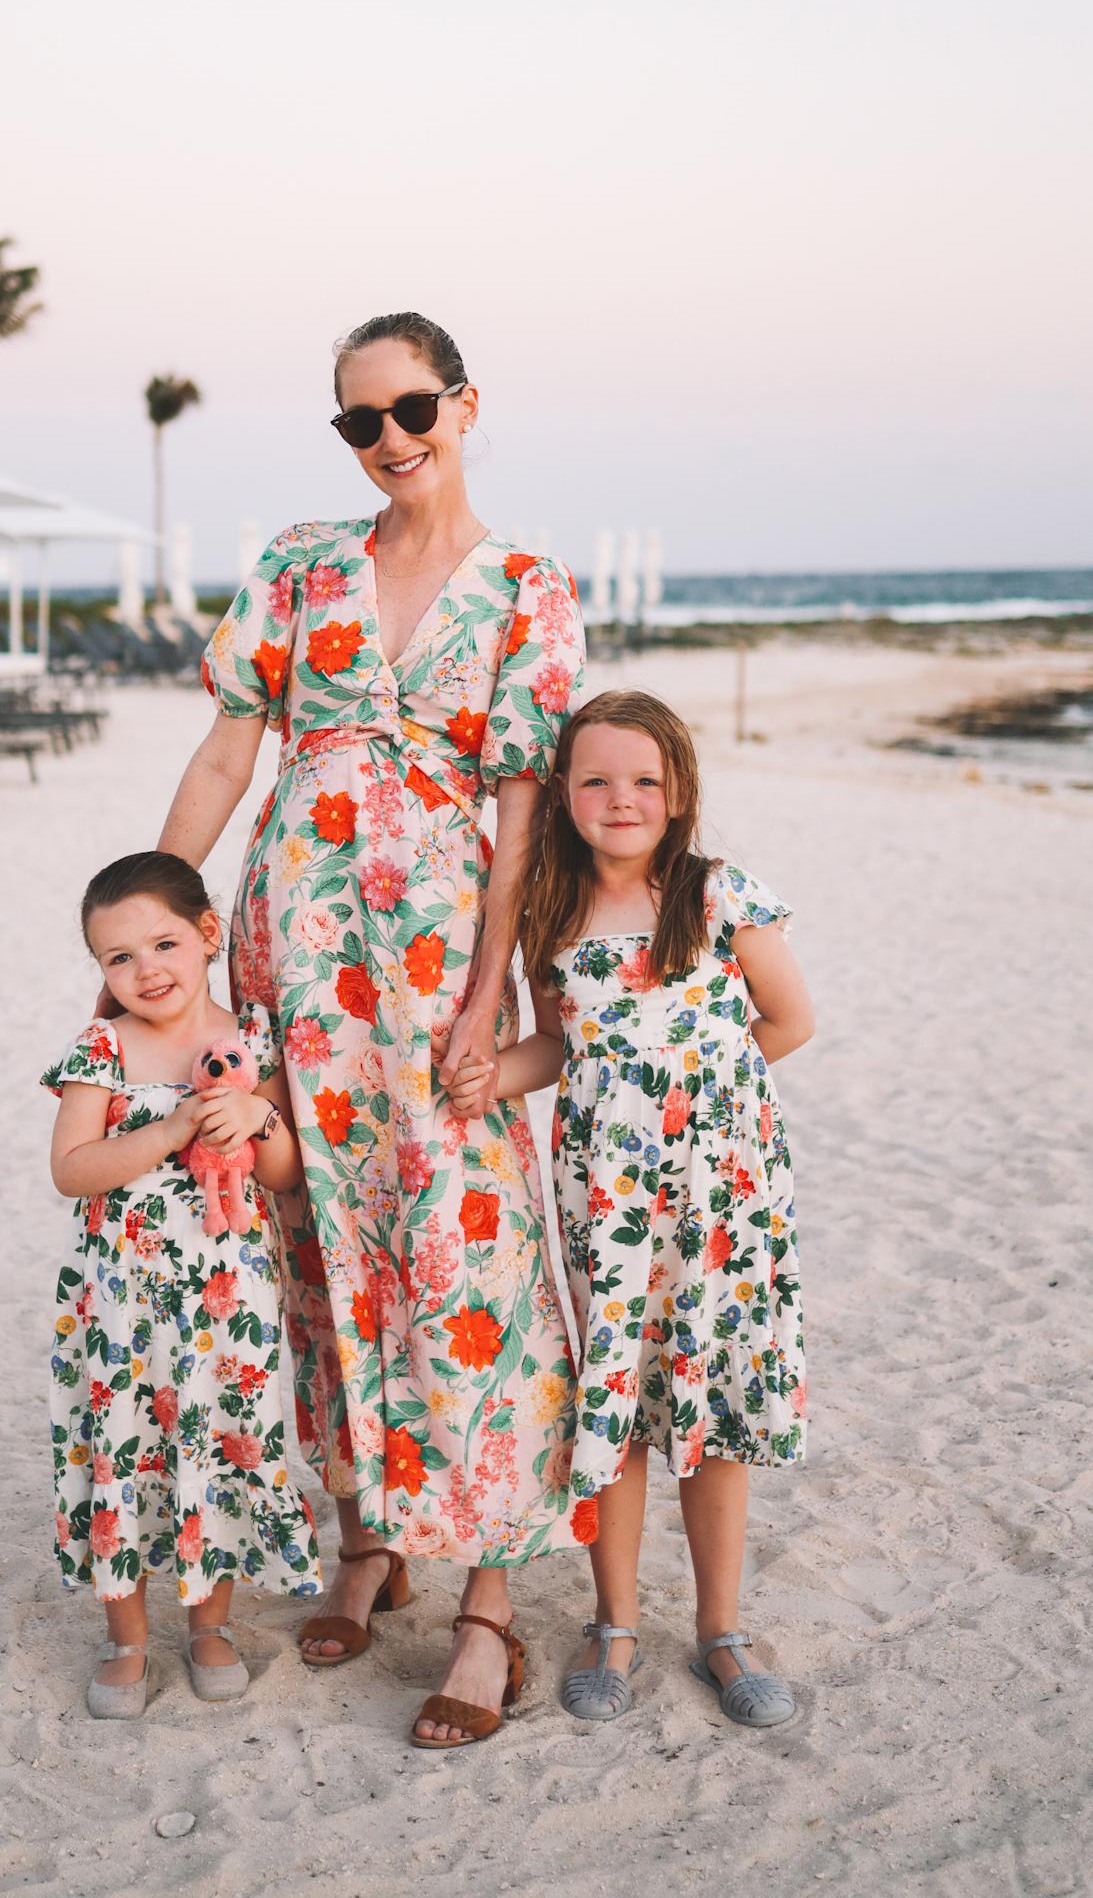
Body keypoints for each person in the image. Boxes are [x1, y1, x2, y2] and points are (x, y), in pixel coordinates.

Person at [157, 312, 587, 1749]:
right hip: (295, 966)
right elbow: (230, 747)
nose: (389, 439)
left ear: (465, 404)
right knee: (320, 1255)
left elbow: (522, 807)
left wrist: (489, 995)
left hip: (436, 971)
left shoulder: (529, 586)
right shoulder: (298, 566)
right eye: (359, 421)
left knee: (469, 1251)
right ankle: (367, 1537)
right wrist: (157, 930)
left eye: (410, 409)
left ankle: (486, 1612)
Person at [447, 690, 814, 1728]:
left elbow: (788, 1019)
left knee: (711, 1410)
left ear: (679, 790)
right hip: (607, 1200)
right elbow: (560, 1046)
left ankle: (722, 1628)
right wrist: (494, 1075)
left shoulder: (716, 894)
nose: (622, 797)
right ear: (561, 796)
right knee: (620, 1401)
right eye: (596, 778)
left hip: (725, 1198)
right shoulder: (554, 918)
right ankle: (614, 1620)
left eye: (645, 779)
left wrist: (690, 1099)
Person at [44, 851, 320, 1719]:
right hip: (118, 1300)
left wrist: (260, 1115)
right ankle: (126, 1635)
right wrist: (168, 1130)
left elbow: (284, 1176)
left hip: (226, 1298)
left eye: (162, 943)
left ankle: (209, 1624)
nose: (144, 970)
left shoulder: (249, 1040)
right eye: (117, 959)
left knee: (219, 1443)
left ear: (207, 934)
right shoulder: (103, 1047)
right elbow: (73, 1168)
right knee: (120, 1450)